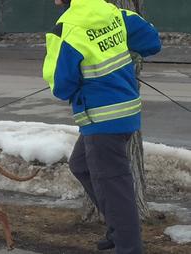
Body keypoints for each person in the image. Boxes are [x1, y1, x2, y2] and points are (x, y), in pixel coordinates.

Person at [43, 0, 161, 253]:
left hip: (101, 119)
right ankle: (118, 229)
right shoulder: (116, 13)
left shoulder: (67, 29)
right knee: (81, 164)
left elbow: (62, 87)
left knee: (115, 187)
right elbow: (152, 42)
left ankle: (128, 246)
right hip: (124, 112)